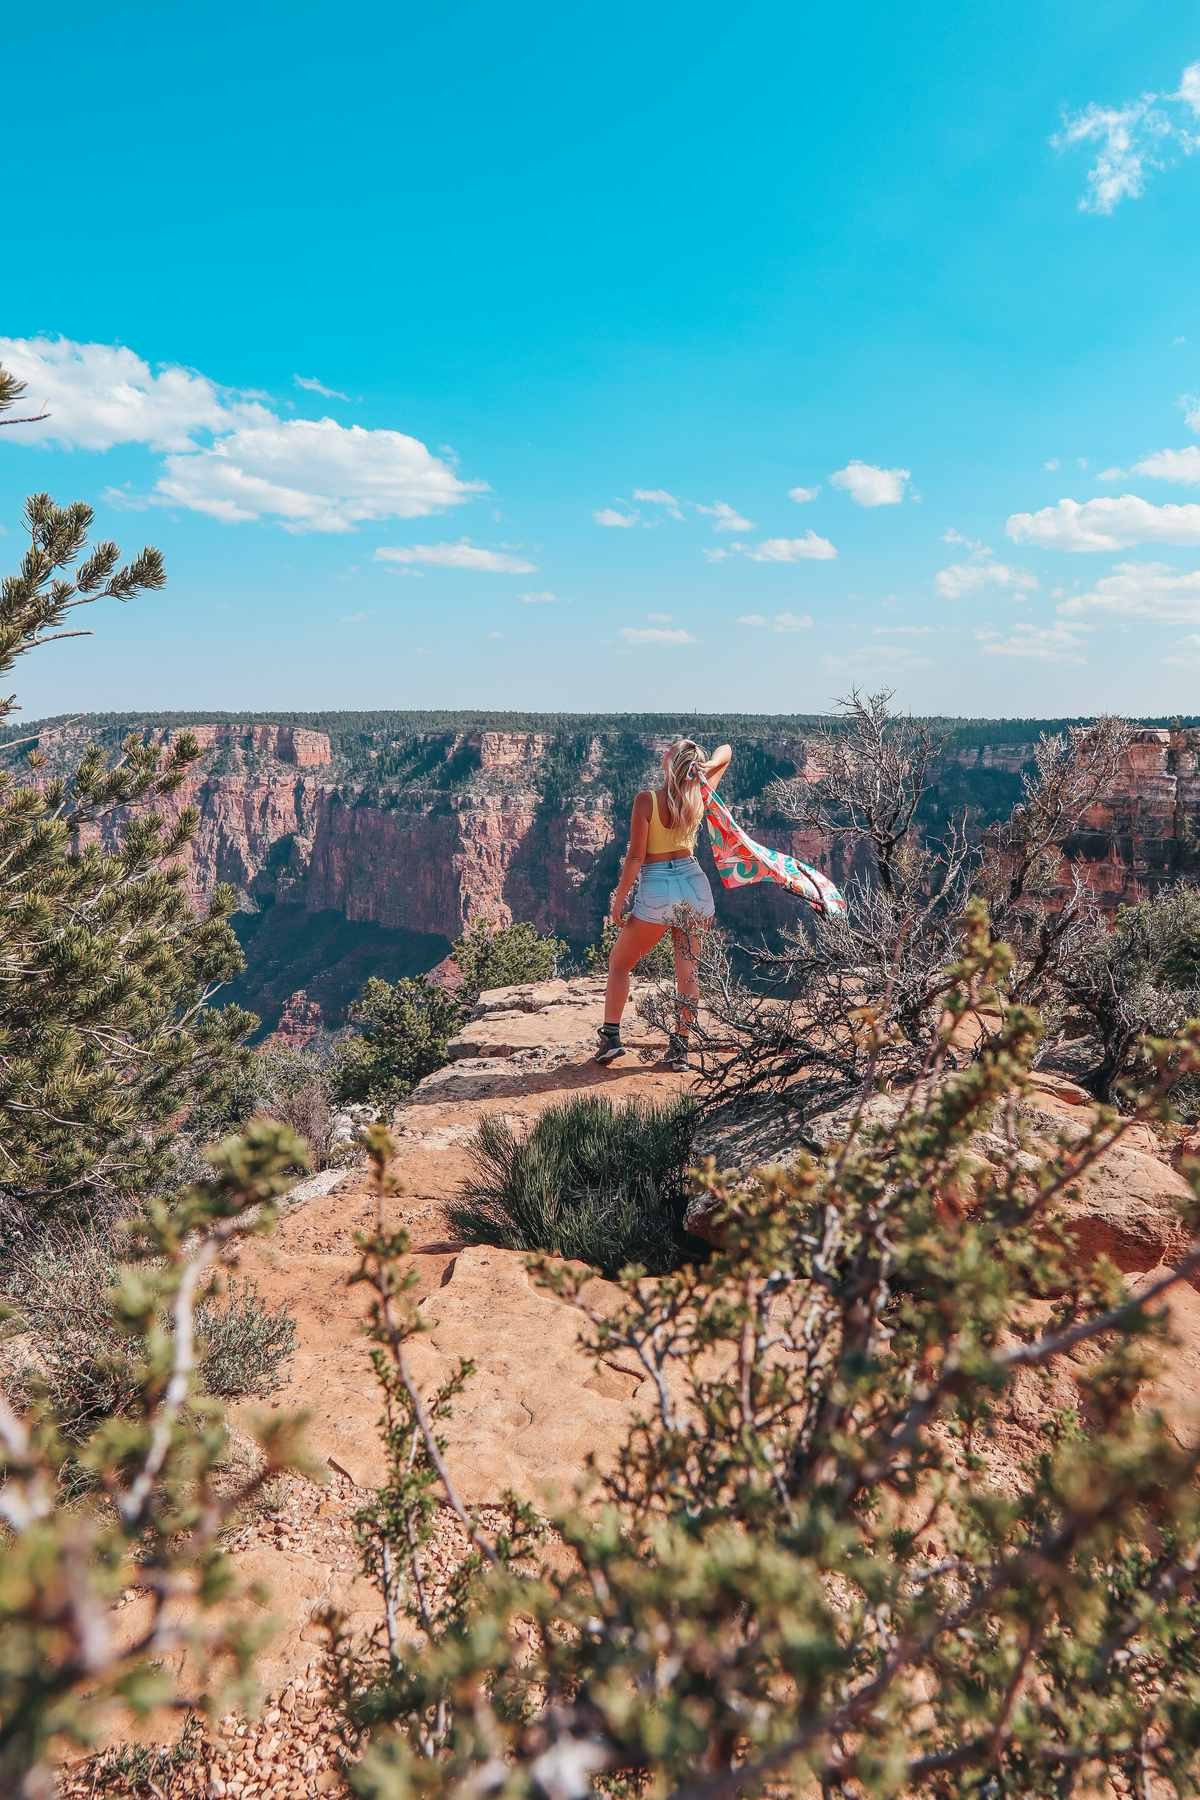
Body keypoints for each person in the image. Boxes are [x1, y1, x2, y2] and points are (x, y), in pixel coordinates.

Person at [596, 738, 731, 1072]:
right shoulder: (699, 794)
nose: (664, 753)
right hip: (695, 884)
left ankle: (611, 1038)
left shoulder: (647, 801)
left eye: (669, 751)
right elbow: (726, 750)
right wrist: (706, 769)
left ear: (671, 763)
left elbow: (635, 858)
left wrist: (620, 897)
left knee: (620, 963)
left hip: (658, 885)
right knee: (688, 971)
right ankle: (680, 1048)